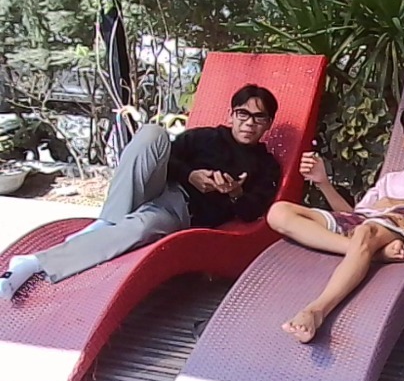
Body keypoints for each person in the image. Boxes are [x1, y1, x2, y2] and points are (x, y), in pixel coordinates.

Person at [0, 84, 281, 299]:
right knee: (152, 133)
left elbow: (252, 212)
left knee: (140, 229)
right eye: (243, 114)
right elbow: (167, 158)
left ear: (268, 123)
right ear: (231, 114)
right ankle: (107, 222)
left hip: (180, 210)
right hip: (155, 185)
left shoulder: (266, 165)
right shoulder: (204, 137)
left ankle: (34, 263)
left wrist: (234, 193)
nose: (249, 123)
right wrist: (191, 175)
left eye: (259, 117)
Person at [266, 102, 404, 344]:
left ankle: (317, 310)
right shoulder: (390, 179)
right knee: (279, 212)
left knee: (365, 233)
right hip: (370, 225)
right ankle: (374, 253)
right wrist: (323, 183)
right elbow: (354, 216)